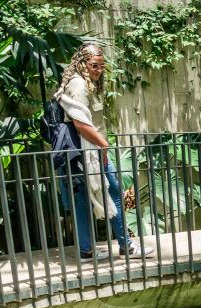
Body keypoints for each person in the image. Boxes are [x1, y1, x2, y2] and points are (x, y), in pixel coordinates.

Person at [55, 43, 153, 259]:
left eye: (101, 66)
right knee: (114, 190)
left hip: (89, 151)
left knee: (83, 200)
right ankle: (126, 246)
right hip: (87, 152)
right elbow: (81, 124)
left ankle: (86, 250)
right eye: (94, 65)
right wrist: (103, 145)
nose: (98, 70)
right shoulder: (79, 85)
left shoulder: (86, 83)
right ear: (82, 63)